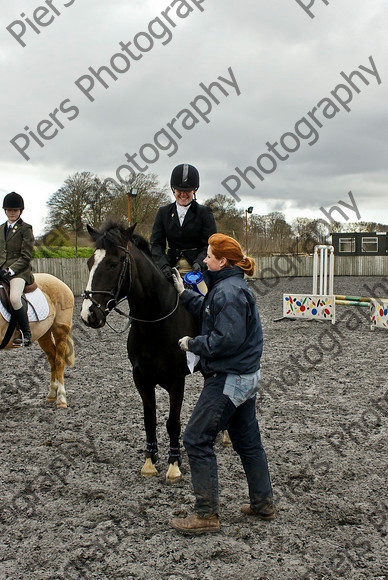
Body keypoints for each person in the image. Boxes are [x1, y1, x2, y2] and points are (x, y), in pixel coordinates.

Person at [170, 233, 274, 534]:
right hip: (245, 377)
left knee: (195, 438)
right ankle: (262, 502)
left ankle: (206, 515)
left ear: (222, 261)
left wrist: (194, 343)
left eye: (209, 256)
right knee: (248, 441)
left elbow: (226, 340)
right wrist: (184, 294)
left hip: (229, 378)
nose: (204, 260)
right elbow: (211, 310)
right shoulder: (229, 286)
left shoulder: (228, 292)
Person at [150, 163, 217, 284]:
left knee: (205, 297)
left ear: (194, 190)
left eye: (188, 191)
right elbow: (156, 244)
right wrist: (163, 265)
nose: (183, 194)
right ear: (173, 189)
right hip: (170, 267)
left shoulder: (204, 213)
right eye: (179, 190)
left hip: (195, 269)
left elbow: (210, 244)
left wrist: (200, 263)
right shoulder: (163, 212)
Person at [0, 192, 34, 346]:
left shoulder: (25, 228)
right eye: (9, 210)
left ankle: (25, 333)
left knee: (14, 297)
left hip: (19, 271)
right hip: (1, 268)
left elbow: (26, 256)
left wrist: (11, 270)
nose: (12, 213)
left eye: (15, 210)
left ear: (20, 211)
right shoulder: (0, 228)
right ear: (5, 210)